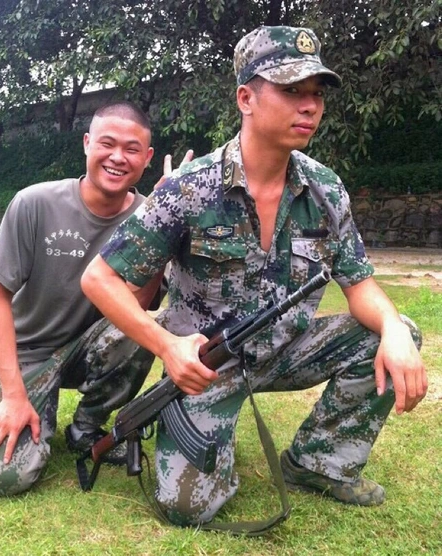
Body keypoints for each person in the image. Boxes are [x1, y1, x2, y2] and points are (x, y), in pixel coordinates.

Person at [81, 26, 428, 526]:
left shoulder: (325, 189)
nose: (309, 106)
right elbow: (99, 279)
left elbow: (359, 284)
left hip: (287, 351)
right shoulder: (189, 189)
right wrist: (167, 348)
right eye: (291, 90)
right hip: (206, 367)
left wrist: (392, 328)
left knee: (397, 335)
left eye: (316, 94)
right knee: (188, 508)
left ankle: (318, 463)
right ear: (246, 98)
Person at [0, 100, 189, 496]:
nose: (118, 157)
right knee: (4, 477)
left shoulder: (148, 214)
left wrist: (162, 223)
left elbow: (136, 308)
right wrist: (14, 396)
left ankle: (86, 428)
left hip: (90, 349)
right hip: (27, 352)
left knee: (146, 330)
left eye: (132, 149)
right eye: (107, 144)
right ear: (87, 143)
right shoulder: (34, 203)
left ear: (147, 158)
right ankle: (32, 403)